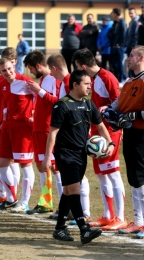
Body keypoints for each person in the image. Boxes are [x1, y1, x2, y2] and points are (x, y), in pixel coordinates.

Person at [42, 69, 114, 244]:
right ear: (75, 85)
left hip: (82, 154)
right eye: (86, 84)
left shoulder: (89, 105)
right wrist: (47, 158)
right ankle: (84, 229)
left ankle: (59, 228)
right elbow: (53, 133)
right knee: (75, 190)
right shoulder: (62, 105)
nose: (90, 87)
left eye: (90, 84)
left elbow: (101, 126)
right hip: (65, 154)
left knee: (68, 191)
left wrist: (110, 143)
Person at [100, 45, 144, 238]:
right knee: (132, 178)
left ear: (141, 58)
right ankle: (138, 222)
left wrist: (132, 116)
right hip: (129, 134)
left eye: (131, 56)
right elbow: (118, 104)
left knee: (140, 177)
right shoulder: (129, 82)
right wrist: (106, 109)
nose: (128, 59)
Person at [72, 48, 127, 231]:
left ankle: (120, 217)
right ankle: (108, 215)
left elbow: (120, 103)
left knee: (112, 173)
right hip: (96, 134)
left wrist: (108, 108)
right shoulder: (93, 80)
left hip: (109, 132)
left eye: (79, 68)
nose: (79, 73)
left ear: (85, 66)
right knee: (101, 175)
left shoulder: (107, 77)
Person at [46, 53, 91, 222]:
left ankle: (84, 212)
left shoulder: (68, 83)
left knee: (78, 179)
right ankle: (67, 215)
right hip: (67, 139)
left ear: (54, 68)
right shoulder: (64, 83)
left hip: (72, 140)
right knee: (68, 183)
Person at [23, 50, 62, 214]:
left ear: (38, 65)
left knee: (55, 167)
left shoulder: (53, 80)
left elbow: (58, 102)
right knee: (41, 166)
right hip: (38, 129)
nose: (31, 72)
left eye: (31, 68)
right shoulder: (42, 80)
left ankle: (64, 206)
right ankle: (45, 202)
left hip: (49, 129)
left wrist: (39, 91)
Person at [0, 58, 35, 213]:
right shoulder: (2, 83)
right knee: (1, 164)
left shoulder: (26, 81)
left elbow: (39, 96)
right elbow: (5, 101)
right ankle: (12, 199)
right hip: (8, 127)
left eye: (10, 68)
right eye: (4, 70)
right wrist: (4, 113)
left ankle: (24, 202)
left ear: (14, 66)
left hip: (24, 127)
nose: (8, 72)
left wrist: (34, 113)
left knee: (25, 165)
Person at [0, 47, 21, 206]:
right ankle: (4, 192)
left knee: (10, 161)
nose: (8, 70)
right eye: (4, 68)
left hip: (9, 125)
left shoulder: (20, 80)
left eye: (12, 64)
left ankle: (11, 193)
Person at [108, 8, 127, 86]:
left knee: (119, 63)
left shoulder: (122, 22)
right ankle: (125, 78)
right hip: (114, 46)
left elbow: (124, 35)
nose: (111, 15)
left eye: (112, 13)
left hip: (120, 47)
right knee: (115, 64)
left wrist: (120, 44)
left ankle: (121, 80)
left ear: (115, 14)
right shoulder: (115, 23)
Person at [125, 7, 139, 77]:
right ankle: (131, 77)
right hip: (129, 45)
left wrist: (134, 45)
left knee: (133, 62)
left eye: (132, 13)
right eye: (129, 13)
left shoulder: (136, 21)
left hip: (133, 46)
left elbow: (136, 34)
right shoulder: (131, 22)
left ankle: (134, 77)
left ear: (135, 13)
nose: (130, 15)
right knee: (130, 62)